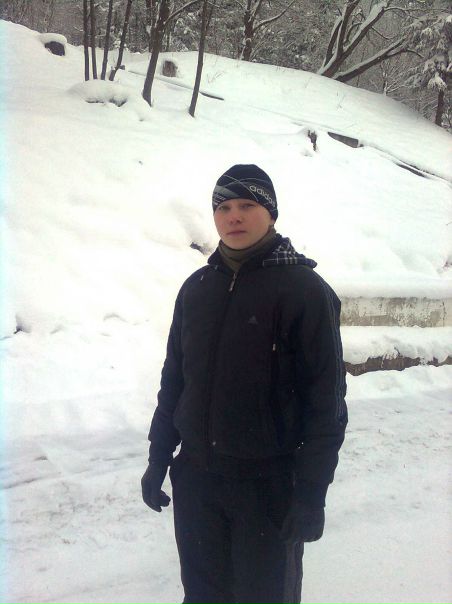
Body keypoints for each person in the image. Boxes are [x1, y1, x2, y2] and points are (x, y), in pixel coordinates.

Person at [141, 164, 348, 604]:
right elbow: (174, 381)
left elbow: (326, 402)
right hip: (197, 480)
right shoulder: (197, 289)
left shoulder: (305, 291)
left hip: (267, 487)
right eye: (223, 207)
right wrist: (159, 457)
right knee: (202, 596)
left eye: (247, 205)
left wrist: (311, 494)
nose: (233, 216)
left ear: (270, 213)